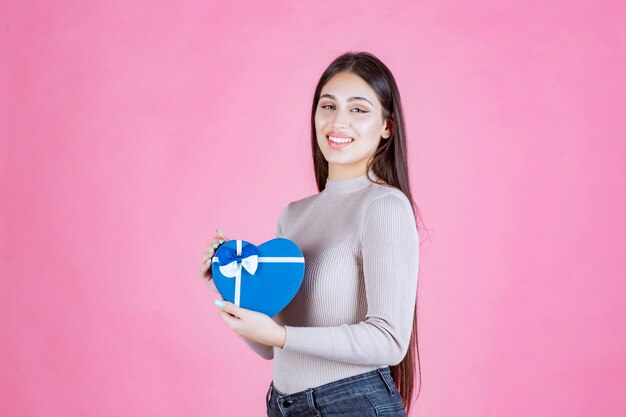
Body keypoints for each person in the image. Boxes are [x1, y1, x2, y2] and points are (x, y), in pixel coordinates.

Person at [200, 51, 423, 417]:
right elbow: (271, 346)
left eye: (359, 110)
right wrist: (227, 287)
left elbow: (389, 340)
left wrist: (282, 337)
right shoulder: (294, 215)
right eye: (328, 106)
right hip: (284, 405)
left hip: (351, 405)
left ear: (387, 127)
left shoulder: (383, 206)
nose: (338, 121)